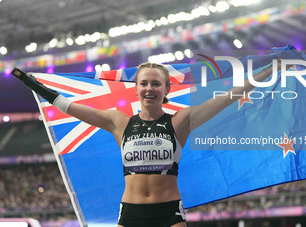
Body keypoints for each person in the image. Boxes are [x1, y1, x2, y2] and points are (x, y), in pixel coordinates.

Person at [12, 60, 278, 227]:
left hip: (169, 214)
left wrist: (266, 72)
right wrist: (33, 85)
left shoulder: (180, 120)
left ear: (166, 90)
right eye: (144, 83)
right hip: (130, 215)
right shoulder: (119, 122)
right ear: (136, 88)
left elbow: (227, 98)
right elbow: (70, 107)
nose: (149, 88)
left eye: (156, 84)